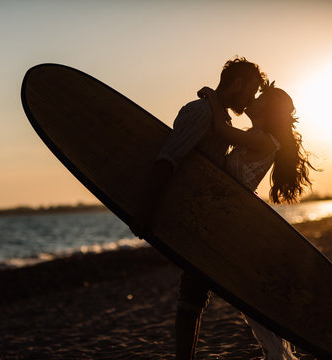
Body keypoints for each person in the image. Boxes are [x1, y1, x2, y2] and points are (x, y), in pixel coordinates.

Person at [130, 56, 266, 359]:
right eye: (252, 90)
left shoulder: (221, 117)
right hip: (192, 218)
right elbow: (168, 159)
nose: (252, 98)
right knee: (190, 296)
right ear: (237, 83)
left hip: (209, 221)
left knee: (195, 295)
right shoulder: (202, 112)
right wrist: (144, 212)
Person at [200, 81, 316, 359]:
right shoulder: (258, 134)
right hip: (231, 218)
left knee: (249, 296)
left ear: (268, 110)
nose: (253, 100)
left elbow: (220, 130)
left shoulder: (266, 142)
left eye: (260, 99)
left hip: (238, 222)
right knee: (248, 296)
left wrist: (212, 97)